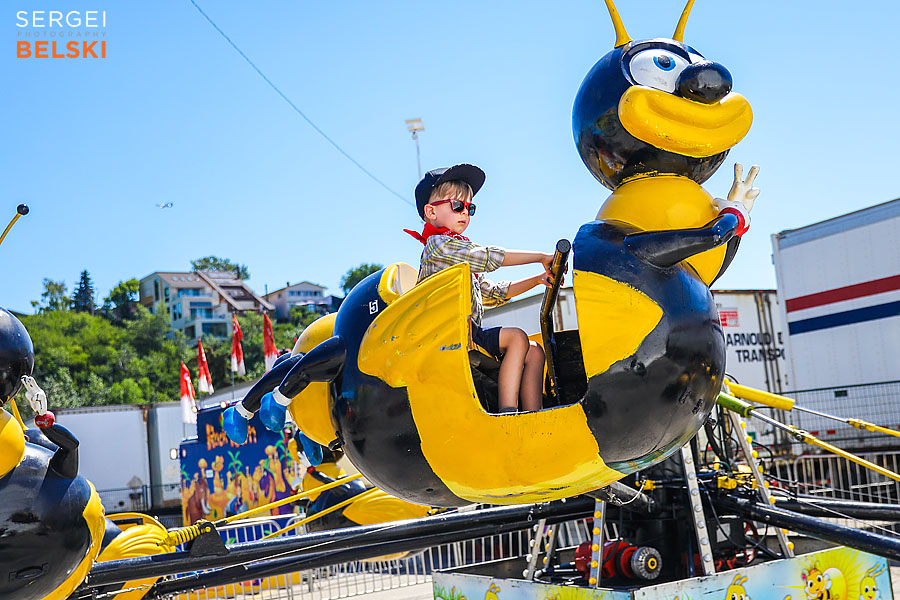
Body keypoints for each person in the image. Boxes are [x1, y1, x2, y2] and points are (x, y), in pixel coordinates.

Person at [404, 164, 555, 413]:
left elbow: (492, 293)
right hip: (449, 336)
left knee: (535, 351)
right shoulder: (439, 247)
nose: (465, 213)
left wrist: (538, 279)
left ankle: (535, 416)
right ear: (431, 211)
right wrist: (540, 256)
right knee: (517, 338)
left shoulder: (459, 251)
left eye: (470, 208)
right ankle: (508, 413)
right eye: (457, 206)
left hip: (469, 332)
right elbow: (487, 257)